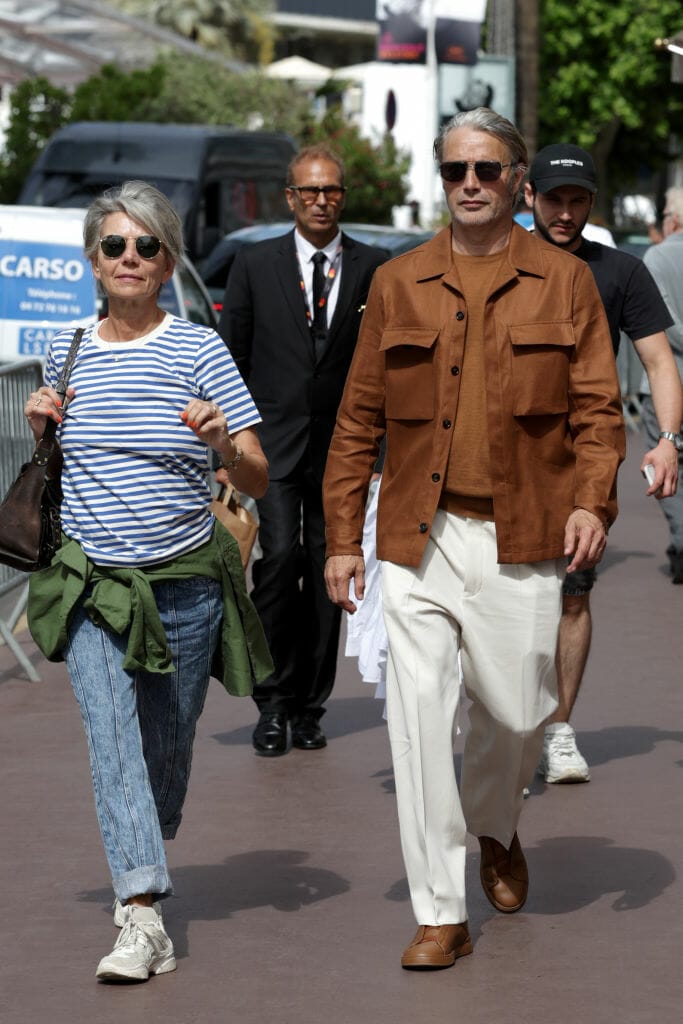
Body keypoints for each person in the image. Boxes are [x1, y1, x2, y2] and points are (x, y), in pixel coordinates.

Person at [323, 107, 625, 970]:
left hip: (522, 537)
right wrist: (343, 536)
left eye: (486, 171)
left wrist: (590, 504)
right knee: (415, 723)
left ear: (517, 181)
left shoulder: (564, 284)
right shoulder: (398, 281)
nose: (468, 185)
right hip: (419, 536)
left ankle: (494, 826)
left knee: (518, 712)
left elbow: (599, 413)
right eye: (454, 169)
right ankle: (438, 912)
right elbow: (357, 418)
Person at [24, 180, 272, 982]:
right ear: (94, 262)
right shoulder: (68, 348)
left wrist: (222, 444)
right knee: (112, 739)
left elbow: (261, 475)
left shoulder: (200, 350)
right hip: (94, 583)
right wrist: (41, 425)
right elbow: (53, 464)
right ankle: (140, 915)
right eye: (114, 247)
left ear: (167, 262)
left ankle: (141, 847)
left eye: (146, 247)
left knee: (165, 749)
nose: (129, 260)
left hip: (188, 583)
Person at [218, 145, 385, 757]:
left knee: (331, 574)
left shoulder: (374, 267)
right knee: (276, 561)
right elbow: (228, 357)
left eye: (332, 191)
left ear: (343, 196)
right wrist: (233, 444)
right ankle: (272, 702)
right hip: (270, 449)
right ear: (290, 197)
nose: (321, 201)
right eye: (310, 191)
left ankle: (311, 707)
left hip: (344, 450)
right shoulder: (255, 263)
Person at [524, 145, 682, 783]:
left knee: (571, 593)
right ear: (528, 196)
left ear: (592, 202)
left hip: (582, 460)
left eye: (578, 200)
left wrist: (670, 437)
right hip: (496, 460)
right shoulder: (494, 262)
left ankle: (557, 728)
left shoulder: (620, 272)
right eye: (554, 199)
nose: (565, 213)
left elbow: (660, 361)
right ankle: (507, 729)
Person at [639, 187, 683, 582]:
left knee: (669, 464)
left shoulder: (658, 255)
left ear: (672, 219)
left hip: (672, 378)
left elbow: (663, 326)